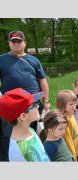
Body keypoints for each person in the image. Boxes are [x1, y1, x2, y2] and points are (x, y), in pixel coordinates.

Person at [0, 30, 50, 161]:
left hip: (32, 104)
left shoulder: (34, 60)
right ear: (9, 43)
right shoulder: (2, 59)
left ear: (25, 43)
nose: (16, 43)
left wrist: (46, 100)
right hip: (10, 106)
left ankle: (30, 156)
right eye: (13, 41)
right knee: (7, 135)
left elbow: (43, 81)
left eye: (19, 41)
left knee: (30, 132)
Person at [0, 88, 50, 162]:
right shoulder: (25, 151)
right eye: (34, 104)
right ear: (23, 116)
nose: (38, 106)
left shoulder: (30, 130)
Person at [56, 89, 78, 161]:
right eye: (71, 104)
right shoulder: (65, 121)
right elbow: (68, 141)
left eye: (75, 103)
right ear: (62, 105)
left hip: (76, 151)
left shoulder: (71, 114)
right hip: (71, 155)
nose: (74, 106)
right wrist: (73, 158)